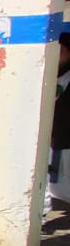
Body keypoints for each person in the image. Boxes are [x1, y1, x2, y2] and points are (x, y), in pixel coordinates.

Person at [46, 33, 70, 214]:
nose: (57, 54)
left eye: (61, 51)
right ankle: (42, 217)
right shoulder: (45, 71)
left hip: (64, 136)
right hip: (47, 136)